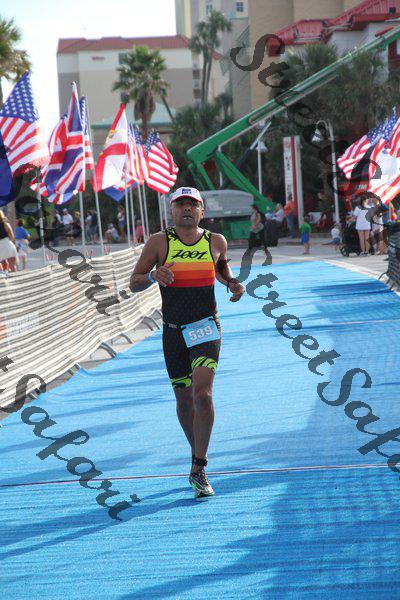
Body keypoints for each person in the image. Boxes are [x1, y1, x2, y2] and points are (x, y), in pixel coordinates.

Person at [129, 187, 245, 500]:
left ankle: (199, 466)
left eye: (193, 204)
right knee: (184, 401)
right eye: (181, 204)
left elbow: (221, 268)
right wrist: (153, 276)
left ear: (202, 211)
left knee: (203, 395)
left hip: (206, 326)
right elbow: (133, 282)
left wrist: (232, 283)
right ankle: (197, 454)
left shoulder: (215, 241)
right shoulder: (159, 242)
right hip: (173, 332)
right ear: (172, 211)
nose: (187, 209)